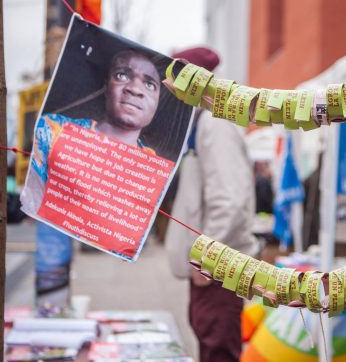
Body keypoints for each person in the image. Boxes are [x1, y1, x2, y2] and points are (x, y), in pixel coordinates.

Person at [165, 47, 260, 362]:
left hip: (217, 270)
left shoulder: (214, 124)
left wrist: (206, 261)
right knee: (211, 343)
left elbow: (229, 200)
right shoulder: (204, 123)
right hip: (213, 269)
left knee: (218, 348)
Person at [22, 49, 161, 215]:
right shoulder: (54, 130)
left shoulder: (151, 167)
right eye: (122, 76)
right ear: (106, 86)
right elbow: (34, 204)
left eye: (150, 85)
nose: (135, 89)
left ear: (158, 101)